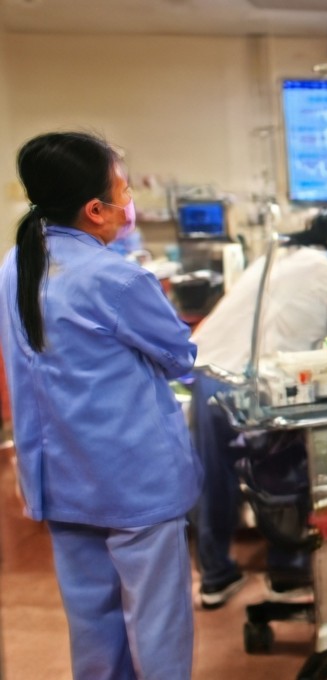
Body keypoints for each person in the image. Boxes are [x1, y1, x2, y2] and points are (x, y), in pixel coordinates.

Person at [0, 132, 201, 679]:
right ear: (95, 210)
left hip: (62, 478)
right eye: (123, 188)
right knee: (157, 625)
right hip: (134, 482)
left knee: (94, 625)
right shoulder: (116, 277)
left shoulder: (16, 264)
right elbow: (179, 355)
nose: (128, 199)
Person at [189, 214, 327, 608]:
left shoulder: (270, 260)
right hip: (256, 385)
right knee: (282, 475)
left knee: (213, 481)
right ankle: (286, 576)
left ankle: (215, 578)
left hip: (208, 372)